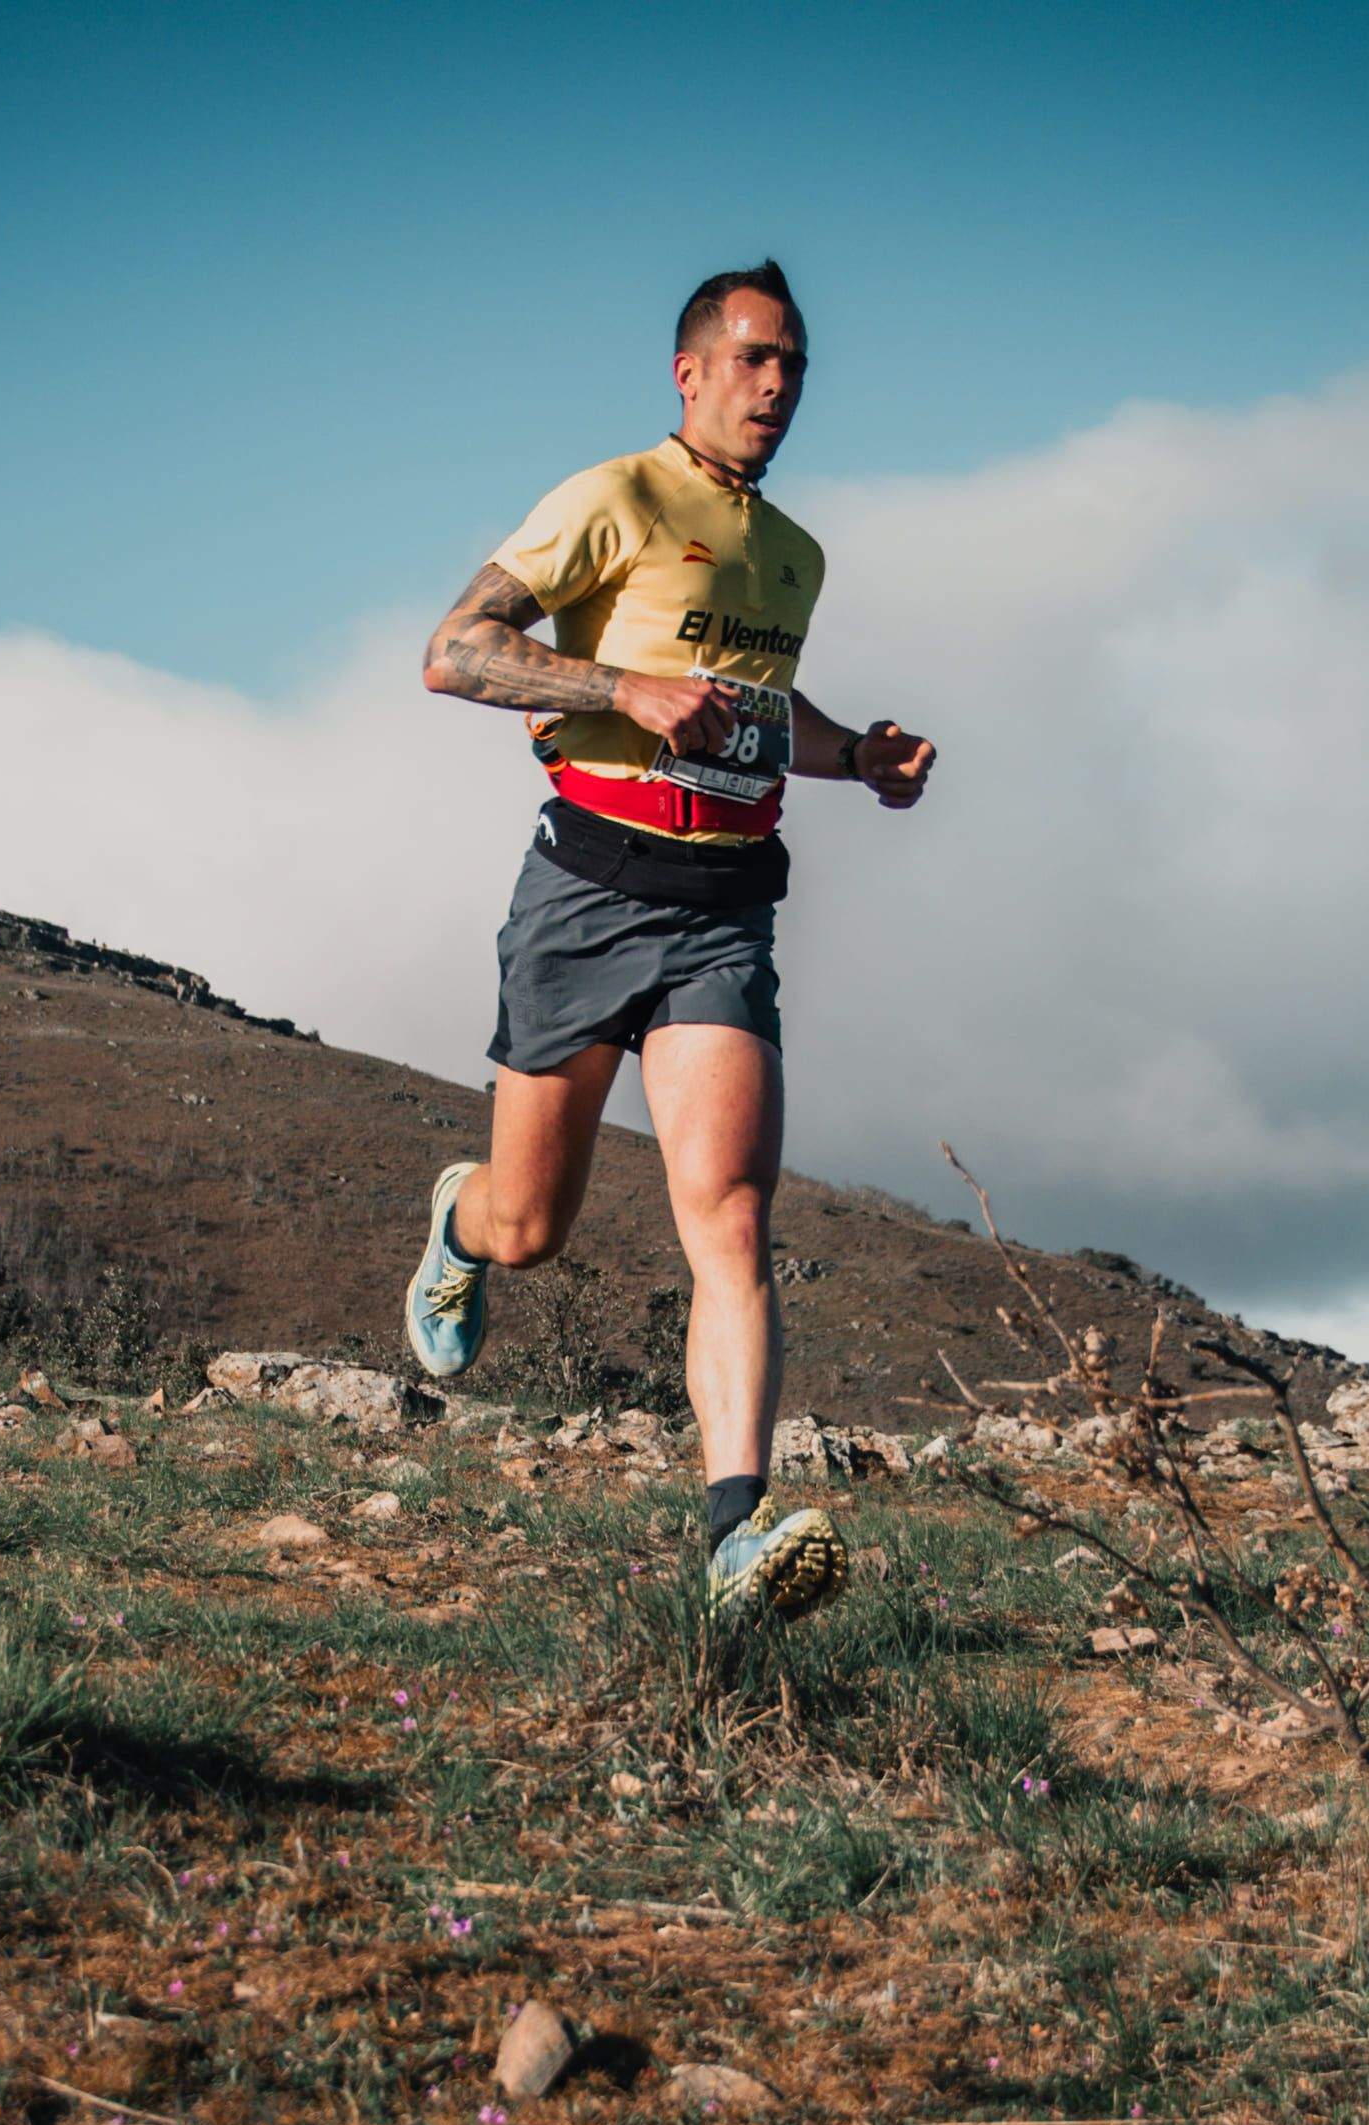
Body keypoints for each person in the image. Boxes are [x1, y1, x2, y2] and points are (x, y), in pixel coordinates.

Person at [403, 259, 938, 1618]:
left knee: (735, 1221)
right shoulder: (613, 498)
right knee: (532, 1229)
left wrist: (855, 754)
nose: (777, 386)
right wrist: (618, 687)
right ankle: (459, 1224)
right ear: (691, 371)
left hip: (724, 910)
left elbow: (760, 710)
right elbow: (455, 653)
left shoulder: (794, 551)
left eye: (796, 365)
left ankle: (732, 1545)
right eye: (754, 359)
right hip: (585, 892)